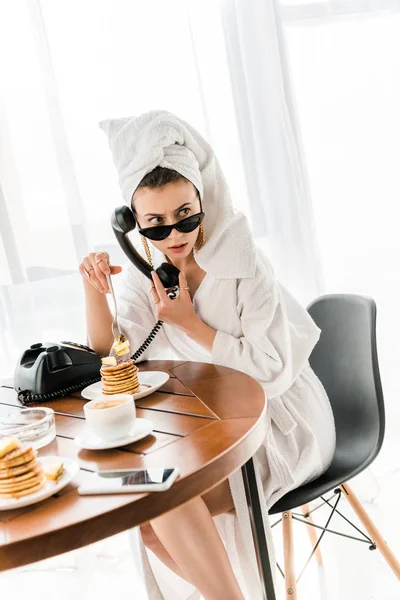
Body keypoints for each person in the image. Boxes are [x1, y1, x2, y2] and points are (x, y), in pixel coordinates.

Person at [79, 110, 336, 600]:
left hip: (280, 419)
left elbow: (272, 369)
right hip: (206, 423)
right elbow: (108, 355)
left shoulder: (244, 264)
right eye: (154, 224)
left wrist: (190, 324)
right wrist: (94, 289)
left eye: (186, 216)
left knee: (166, 497)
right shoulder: (147, 266)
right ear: (133, 223)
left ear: (204, 201)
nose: (174, 236)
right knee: (144, 510)